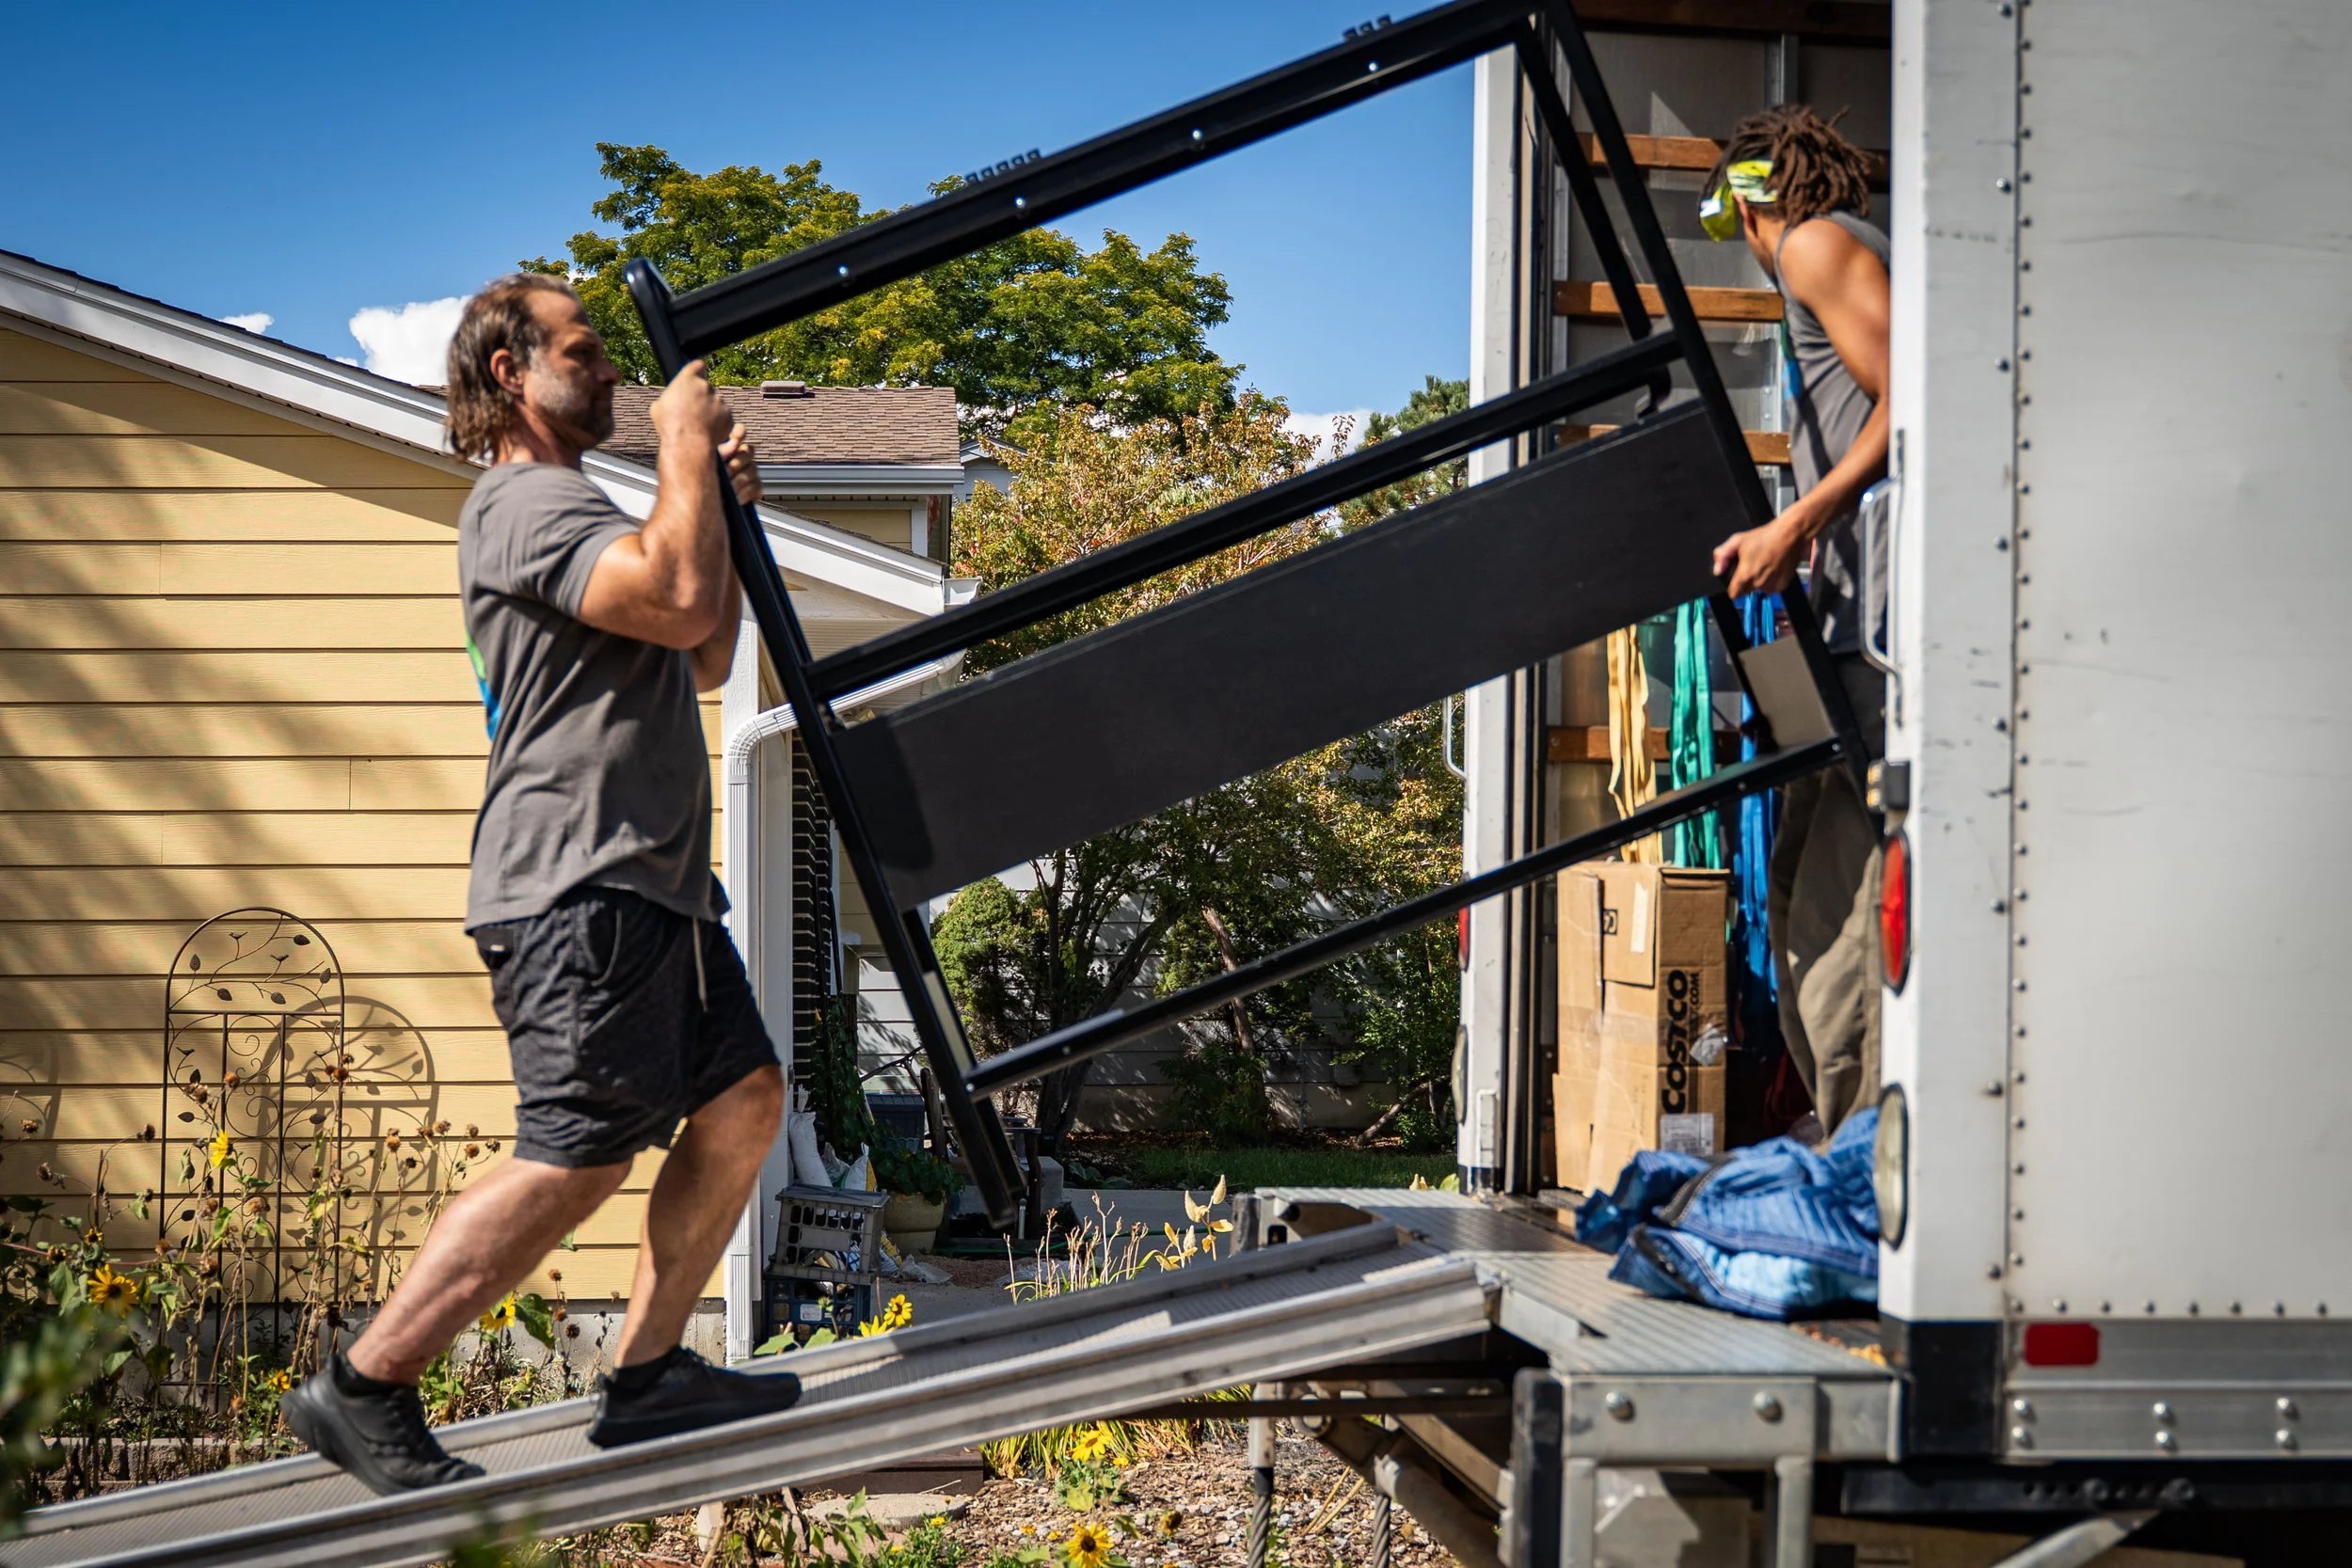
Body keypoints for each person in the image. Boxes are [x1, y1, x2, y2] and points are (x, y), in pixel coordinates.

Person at [281, 275, 801, 1493]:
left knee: (743, 1102)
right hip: (576, 885)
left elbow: (707, 638)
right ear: (510, 372)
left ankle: (647, 1373)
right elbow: (678, 597)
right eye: (582, 348)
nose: (609, 366)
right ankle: (364, 1383)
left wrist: (713, 499)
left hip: (654, 888)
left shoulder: (588, 510)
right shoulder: (519, 503)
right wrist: (682, 440)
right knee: (575, 1153)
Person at [1702, 106, 1891, 1133]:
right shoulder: (1819, 262)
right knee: (1796, 906)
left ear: (1748, 195)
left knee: (1839, 915)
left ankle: (1858, 1162)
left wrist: (1799, 521)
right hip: (1838, 628)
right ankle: (1836, 1128)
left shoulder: (1818, 244)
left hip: (1879, 640)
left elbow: (1915, 400)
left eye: (1719, 203)